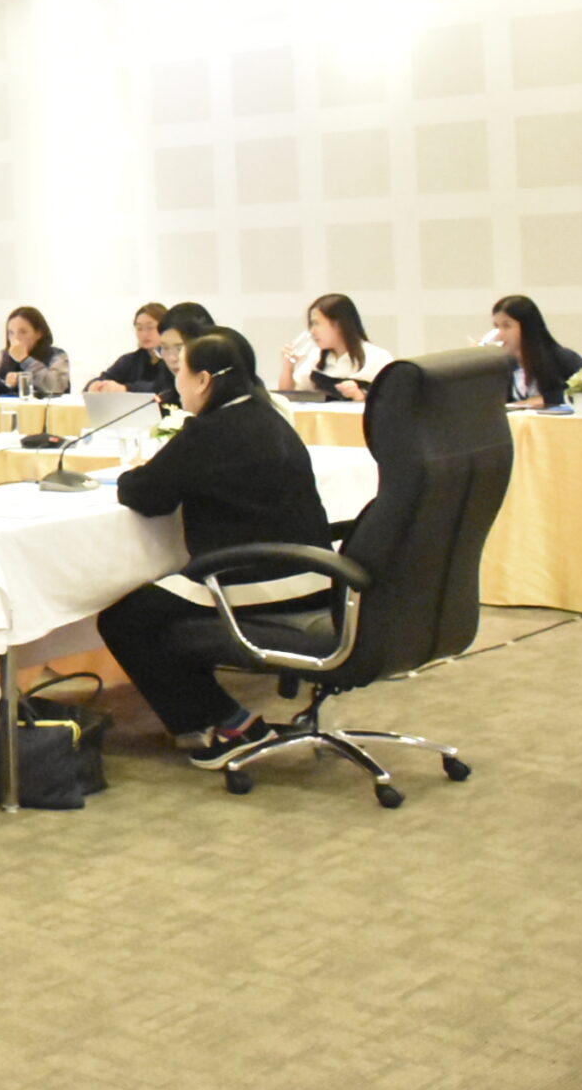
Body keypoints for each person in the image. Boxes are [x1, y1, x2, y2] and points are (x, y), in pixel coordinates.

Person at [98, 331, 335, 768]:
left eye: (181, 373)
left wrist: (134, 472)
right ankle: (208, 717)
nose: (177, 384)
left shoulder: (210, 431)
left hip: (258, 578)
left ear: (204, 380)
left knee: (124, 619)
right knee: (163, 604)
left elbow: (145, 494)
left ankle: (226, 724)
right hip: (317, 575)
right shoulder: (270, 416)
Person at [278, 292, 392, 399]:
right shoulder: (316, 357)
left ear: (338, 324)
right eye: (311, 324)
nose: (312, 331)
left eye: (316, 323)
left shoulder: (377, 357)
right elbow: (288, 397)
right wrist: (288, 368)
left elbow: (391, 403)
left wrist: (359, 396)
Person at [491, 294, 582, 408]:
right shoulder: (502, 365)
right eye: (496, 327)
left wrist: (547, 399)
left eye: (507, 326)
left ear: (527, 327)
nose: (499, 334)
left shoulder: (561, 358)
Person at [0, 306, 72, 397]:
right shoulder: (3, 356)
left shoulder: (57, 355)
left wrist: (25, 360)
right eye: (11, 333)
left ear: (39, 333)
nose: (16, 338)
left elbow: (56, 387)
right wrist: (4, 383)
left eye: (23, 332)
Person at [87, 304, 170, 393]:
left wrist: (126, 388)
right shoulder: (130, 360)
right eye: (139, 328)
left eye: (150, 328)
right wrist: (95, 385)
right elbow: (104, 379)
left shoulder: (173, 359)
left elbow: (165, 387)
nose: (144, 334)